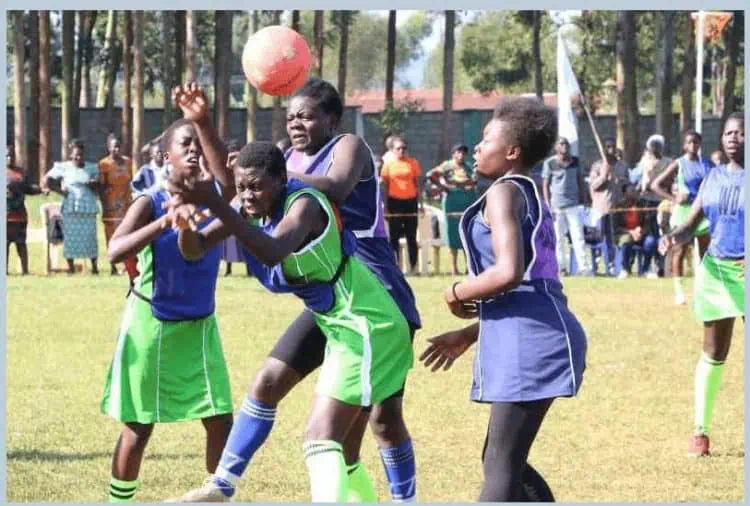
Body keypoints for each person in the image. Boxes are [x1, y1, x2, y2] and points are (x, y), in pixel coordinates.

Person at [174, 77, 421, 503]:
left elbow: (337, 186)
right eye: (289, 117)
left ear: (332, 118)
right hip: (327, 298)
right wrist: (204, 126)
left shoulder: (347, 147)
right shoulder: (282, 166)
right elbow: (237, 187)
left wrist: (272, 177)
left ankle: (400, 499)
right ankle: (222, 484)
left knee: (378, 419)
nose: (295, 124)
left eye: (306, 116)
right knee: (270, 382)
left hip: (374, 290)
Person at [419, 97, 587, 501]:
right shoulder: (525, 192)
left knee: (501, 466)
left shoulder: (504, 192)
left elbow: (509, 272)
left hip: (532, 340)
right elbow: (531, 285)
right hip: (533, 331)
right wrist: (471, 333)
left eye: (486, 139)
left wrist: (454, 291)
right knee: (503, 461)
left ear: (512, 151)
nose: (476, 147)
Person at [100, 83, 236, 503]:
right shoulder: (150, 201)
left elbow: (229, 185)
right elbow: (114, 250)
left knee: (220, 419)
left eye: (199, 145)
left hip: (199, 326)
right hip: (152, 325)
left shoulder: (213, 199)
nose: (194, 150)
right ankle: (118, 499)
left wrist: (202, 121)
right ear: (166, 157)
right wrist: (162, 224)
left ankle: (217, 495)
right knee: (139, 426)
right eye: (185, 144)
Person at [660, 112, 744, 457]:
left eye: (741, 133)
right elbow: (692, 223)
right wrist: (673, 237)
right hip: (716, 275)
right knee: (713, 353)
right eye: (728, 133)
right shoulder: (712, 178)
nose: (733, 138)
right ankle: (700, 431)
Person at [650, 130, 713, 304]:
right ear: (684, 145)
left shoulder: (707, 164)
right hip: (684, 211)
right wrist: (673, 199)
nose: (693, 146)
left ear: (700, 144)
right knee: (680, 250)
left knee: (705, 253)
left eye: (696, 143)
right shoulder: (679, 163)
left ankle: (703, 289)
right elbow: (655, 185)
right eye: (689, 143)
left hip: (702, 212)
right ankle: (679, 292)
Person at [43, 138, 100, 275]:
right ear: (71, 155)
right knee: (70, 238)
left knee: (90, 237)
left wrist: (92, 183)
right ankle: (71, 267)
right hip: (70, 207)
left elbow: (99, 184)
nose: (78, 157)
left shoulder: (91, 168)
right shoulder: (64, 167)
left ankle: (94, 267)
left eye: (80, 154)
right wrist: (58, 190)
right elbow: (47, 179)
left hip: (87, 207)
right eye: (75, 155)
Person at [542, 136, 591, 276]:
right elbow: (545, 184)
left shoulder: (575, 161)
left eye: (566, 144)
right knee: (557, 238)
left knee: (578, 236)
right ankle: (561, 268)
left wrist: (585, 199)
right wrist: (547, 204)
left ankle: (583, 267)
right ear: (556, 147)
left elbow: (580, 181)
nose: (565, 146)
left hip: (573, 205)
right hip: (556, 206)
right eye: (562, 144)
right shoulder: (550, 163)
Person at [426, 144, 477, 275]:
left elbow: (475, 180)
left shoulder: (469, 167)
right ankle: (454, 268)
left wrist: (466, 185)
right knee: (452, 233)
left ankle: (468, 267)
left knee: (467, 232)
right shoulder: (446, 166)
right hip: (452, 202)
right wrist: (443, 187)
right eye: (458, 152)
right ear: (453, 153)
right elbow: (431, 175)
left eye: (464, 153)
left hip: (468, 200)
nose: (461, 155)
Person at [381, 136, 423, 274]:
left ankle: (414, 267)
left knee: (412, 236)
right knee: (394, 237)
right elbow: (385, 187)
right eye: (398, 148)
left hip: (410, 202)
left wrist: (420, 204)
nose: (402, 151)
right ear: (393, 150)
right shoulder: (388, 165)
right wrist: (386, 206)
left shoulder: (412, 163)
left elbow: (417, 184)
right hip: (394, 202)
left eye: (404, 148)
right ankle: (396, 267)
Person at [588, 138, 629, 275]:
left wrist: (628, 191)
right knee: (598, 237)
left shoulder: (622, 166)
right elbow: (593, 186)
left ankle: (611, 265)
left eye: (613, 147)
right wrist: (603, 177)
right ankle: (596, 265)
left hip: (616, 207)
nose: (611, 149)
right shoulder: (597, 166)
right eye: (608, 147)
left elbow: (626, 185)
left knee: (612, 238)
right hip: (600, 207)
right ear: (604, 149)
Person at [99, 134, 135, 275]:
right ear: (108, 148)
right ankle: (113, 266)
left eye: (118, 146)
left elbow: (131, 181)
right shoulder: (104, 164)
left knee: (128, 234)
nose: (116, 149)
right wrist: (105, 205)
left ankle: (127, 266)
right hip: (111, 204)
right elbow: (102, 187)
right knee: (111, 235)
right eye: (113, 146)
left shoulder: (128, 162)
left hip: (126, 204)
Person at [6, 144, 42, 275]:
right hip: (6, 216)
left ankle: (25, 271)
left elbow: (28, 189)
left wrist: (40, 190)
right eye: (6, 156)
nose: (9, 158)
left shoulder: (21, 173)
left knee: (21, 244)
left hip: (20, 215)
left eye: (12, 156)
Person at [614, 185, 660, 279]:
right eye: (631, 191)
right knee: (626, 240)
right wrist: (631, 232)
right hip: (625, 233)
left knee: (651, 241)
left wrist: (640, 232)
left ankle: (645, 269)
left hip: (640, 234)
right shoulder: (619, 206)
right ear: (625, 194)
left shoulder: (642, 204)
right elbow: (616, 227)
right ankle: (625, 269)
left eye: (634, 191)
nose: (634, 193)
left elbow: (647, 224)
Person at [219, 140, 247, 277]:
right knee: (229, 239)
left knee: (245, 238)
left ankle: (249, 269)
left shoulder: (245, 163)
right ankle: (228, 269)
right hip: (231, 202)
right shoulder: (227, 163)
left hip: (243, 201)